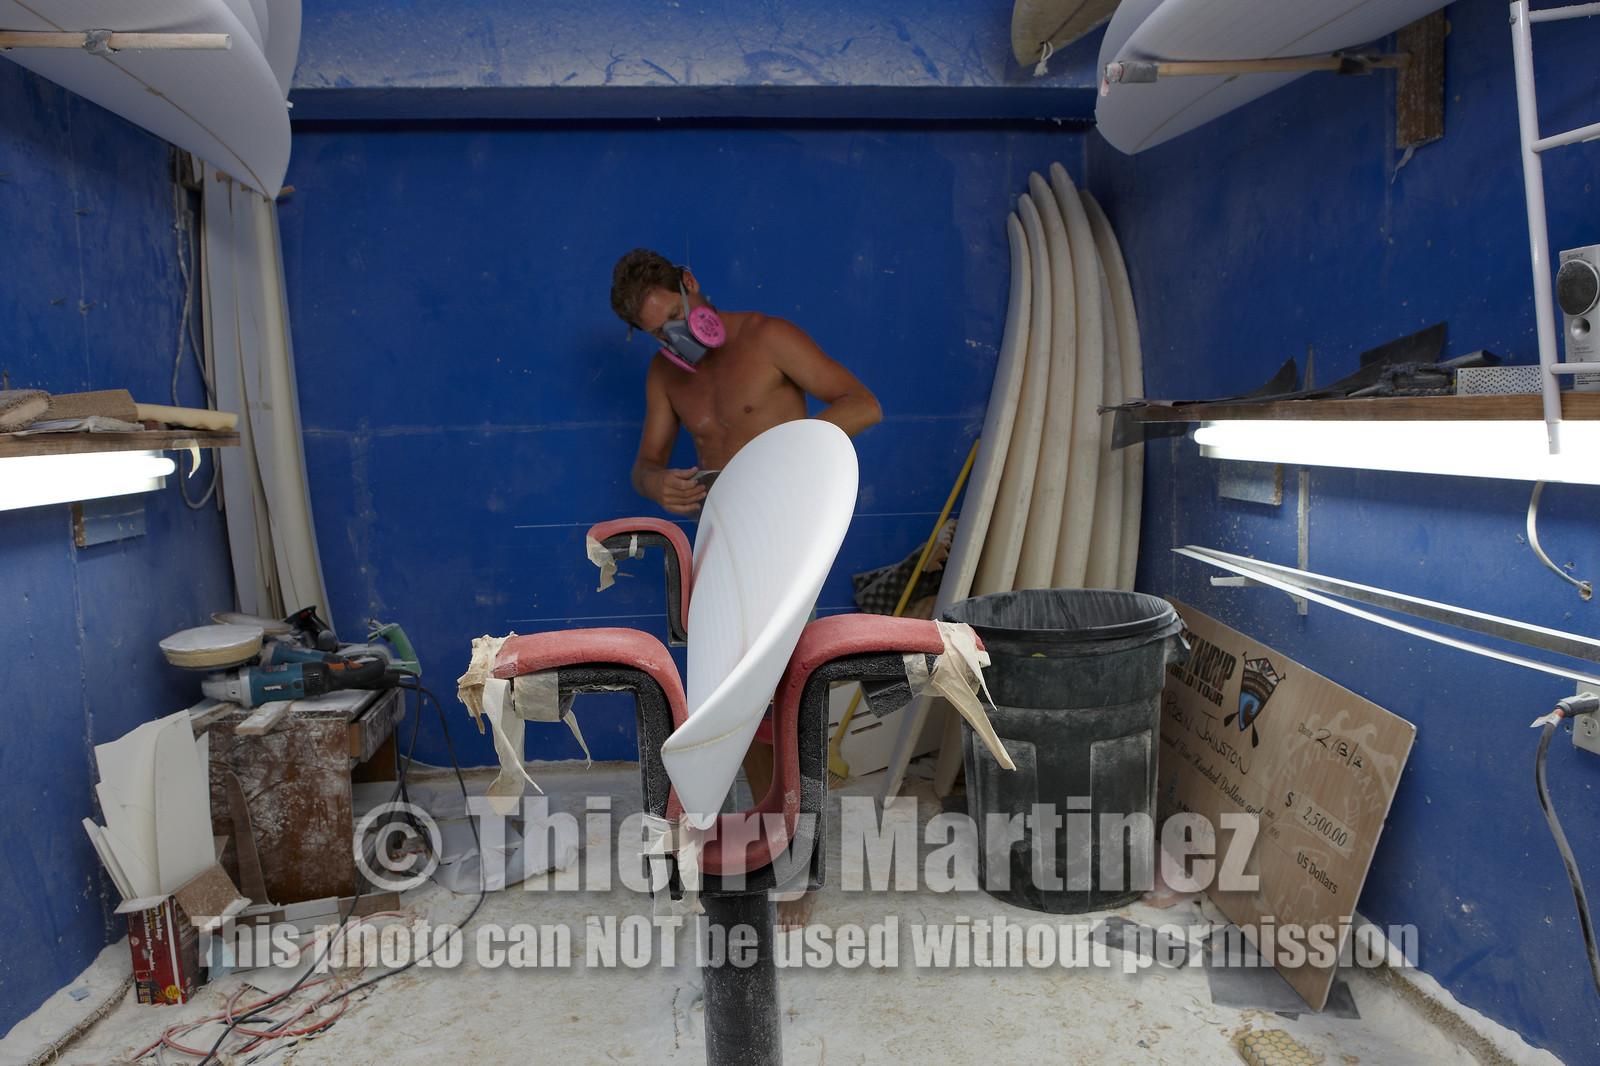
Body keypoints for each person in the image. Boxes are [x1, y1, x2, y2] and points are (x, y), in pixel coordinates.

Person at [610, 247, 881, 925]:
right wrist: (658, 484)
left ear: (692, 284)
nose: (674, 334)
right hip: (725, 541)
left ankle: (800, 860)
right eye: (657, 329)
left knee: (784, 689)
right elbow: (645, 464)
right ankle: (771, 842)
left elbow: (863, 404)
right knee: (740, 696)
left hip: (789, 530)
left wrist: (787, 453)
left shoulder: (768, 337)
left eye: (677, 313)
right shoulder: (666, 378)